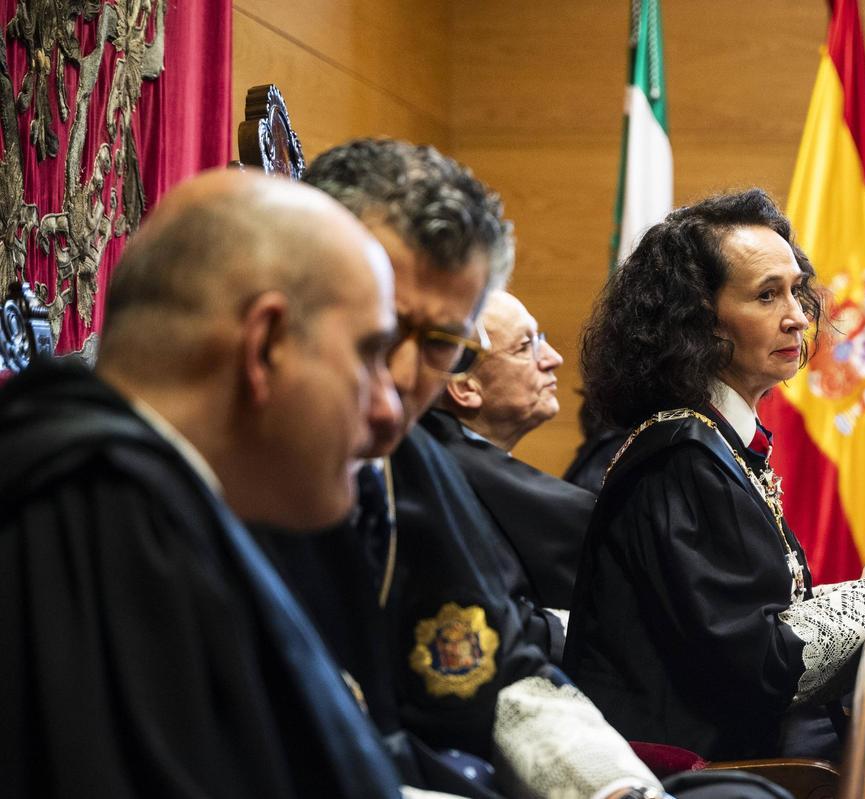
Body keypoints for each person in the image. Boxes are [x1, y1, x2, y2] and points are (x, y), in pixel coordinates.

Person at [259, 139, 663, 799]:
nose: (397, 383)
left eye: (442, 343)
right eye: (379, 333)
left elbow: (503, 672)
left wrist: (615, 789)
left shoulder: (407, 465)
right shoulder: (157, 487)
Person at [0, 171, 407, 797]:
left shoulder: (157, 503)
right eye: (371, 356)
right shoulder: (104, 518)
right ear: (265, 345)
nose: (388, 412)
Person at [563, 188, 865, 761]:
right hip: (692, 771)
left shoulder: (711, 439)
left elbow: (748, 627)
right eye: (767, 296)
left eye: (796, 290)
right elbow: (762, 667)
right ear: (697, 322)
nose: (798, 316)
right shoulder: (684, 459)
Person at [425, 290, 595, 611]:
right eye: (524, 346)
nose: (552, 357)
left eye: (540, 337)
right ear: (464, 387)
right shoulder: (442, 490)